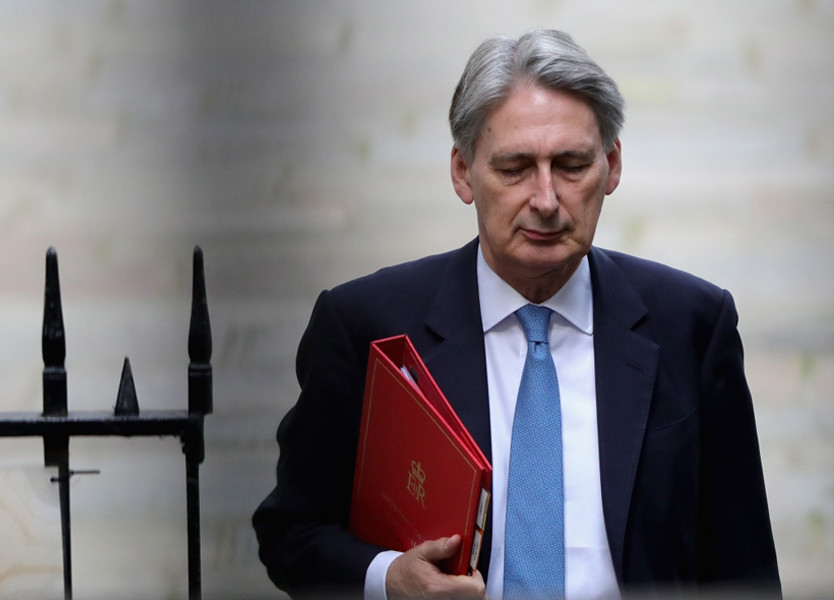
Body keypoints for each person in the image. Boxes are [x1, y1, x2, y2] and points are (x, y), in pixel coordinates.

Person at [253, 29, 781, 599]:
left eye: (572, 166)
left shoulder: (691, 325)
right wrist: (388, 578)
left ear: (612, 165)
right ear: (463, 172)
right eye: (515, 169)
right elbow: (291, 532)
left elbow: (743, 568)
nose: (546, 200)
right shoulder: (367, 326)